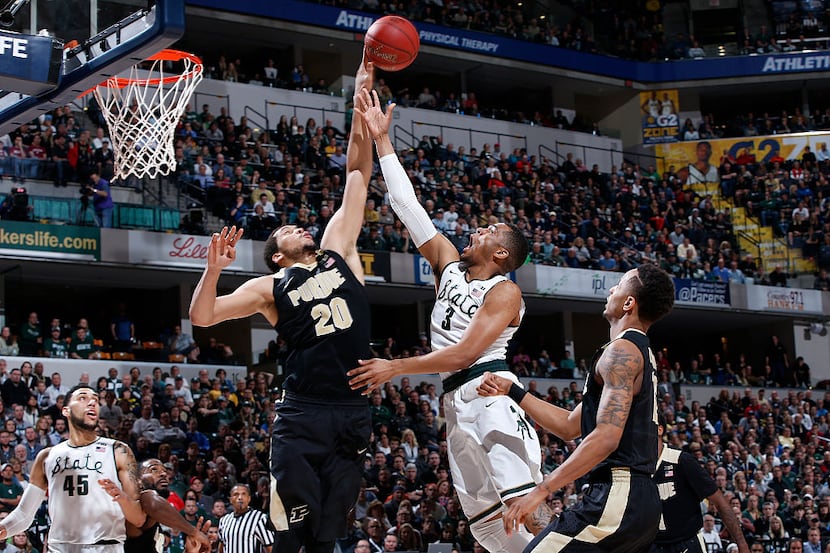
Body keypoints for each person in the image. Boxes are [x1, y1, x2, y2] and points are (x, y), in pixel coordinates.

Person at [189, 57, 377, 553]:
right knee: (291, 532)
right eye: (287, 230)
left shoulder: (340, 251)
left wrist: (360, 97)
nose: (298, 226)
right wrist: (213, 270)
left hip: (353, 408)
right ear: (277, 253)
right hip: (304, 411)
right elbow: (202, 317)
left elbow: (357, 172)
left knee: (332, 531)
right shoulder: (269, 286)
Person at [348, 88, 546, 553]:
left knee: (526, 509)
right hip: (455, 402)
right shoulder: (449, 265)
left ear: (501, 253)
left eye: (489, 231)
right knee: (488, 526)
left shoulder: (505, 291)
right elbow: (408, 208)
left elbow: (464, 353)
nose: (476, 228)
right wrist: (383, 143)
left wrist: (394, 368)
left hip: (491, 393)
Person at [475, 263, 675, 552]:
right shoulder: (637, 351)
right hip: (638, 501)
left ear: (629, 303)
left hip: (619, 495)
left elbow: (606, 437)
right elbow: (570, 425)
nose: (611, 290)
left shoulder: (622, 351)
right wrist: (513, 391)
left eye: (619, 286)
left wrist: (541, 490)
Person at [0, 383, 146, 552]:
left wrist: (122, 498)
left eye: (95, 400)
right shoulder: (47, 456)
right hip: (60, 548)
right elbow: (24, 515)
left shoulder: (118, 450)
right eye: (83, 398)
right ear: (66, 411)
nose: (92, 403)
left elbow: (138, 518)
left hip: (106, 547)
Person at [651, 412, 749, 553]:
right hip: (653, 545)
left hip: (686, 543)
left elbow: (720, 502)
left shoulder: (682, 461)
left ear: (660, 429)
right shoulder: (636, 465)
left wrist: (743, 546)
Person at [126, 458, 209, 553]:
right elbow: (151, 502)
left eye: (164, 471)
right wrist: (194, 532)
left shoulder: (154, 519)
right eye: (154, 469)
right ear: (138, 480)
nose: (164, 474)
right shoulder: (139, 502)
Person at [217, 484, 274, 553]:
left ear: (249, 499)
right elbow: (221, 548)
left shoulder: (259, 518)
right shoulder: (224, 520)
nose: (240, 497)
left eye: (244, 494)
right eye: (236, 494)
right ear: (230, 500)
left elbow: (270, 548)